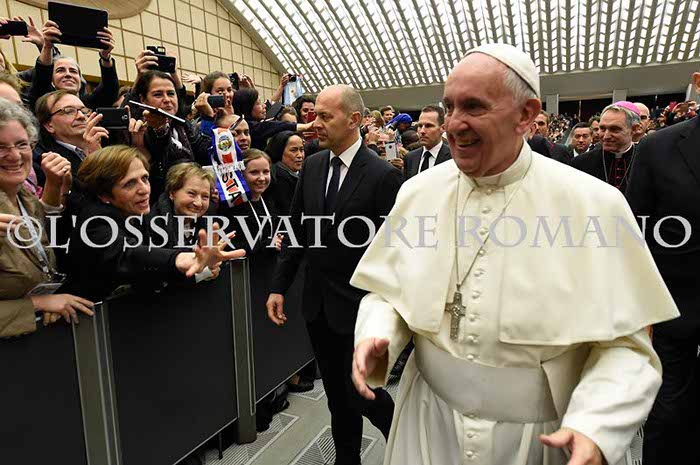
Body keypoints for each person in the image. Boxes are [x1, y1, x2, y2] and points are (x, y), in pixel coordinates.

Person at [350, 43, 678, 465]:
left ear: (526, 114)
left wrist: (596, 425)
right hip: (427, 422)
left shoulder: (594, 204)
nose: (453, 124)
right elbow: (387, 293)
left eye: (473, 106)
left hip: (540, 438)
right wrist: (378, 334)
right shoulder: (418, 192)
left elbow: (628, 348)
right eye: (449, 107)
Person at [266, 84, 402, 465]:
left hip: (362, 309)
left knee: (363, 393)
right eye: (314, 115)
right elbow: (297, 230)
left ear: (354, 120)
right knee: (338, 398)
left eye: (325, 116)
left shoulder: (382, 176)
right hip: (318, 306)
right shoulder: (311, 167)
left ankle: (406, 443)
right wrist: (279, 285)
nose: (315, 123)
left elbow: (396, 252)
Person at [626, 71, 700, 465]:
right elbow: (634, 236)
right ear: (698, 83)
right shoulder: (659, 147)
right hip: (673, 312)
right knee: (668, 416)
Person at [63, 145, 244, 301]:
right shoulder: (95, 221)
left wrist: (199, 268)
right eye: (129, 184)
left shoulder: (135, 215)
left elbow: (151, 274)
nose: (144, 189)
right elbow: (128, 253)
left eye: (144, 178)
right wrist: (181, 258)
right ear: (104, 194)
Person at [0, 97, 94, 337]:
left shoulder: (24, 197)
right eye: (1, 147)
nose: (14, 155)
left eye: (21, 144)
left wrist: (48, 302)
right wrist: (37, 304)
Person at [130, 70, 212, 199]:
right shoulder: (138, 129)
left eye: (171, 93)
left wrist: (209, 118)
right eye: (158, 95)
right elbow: (169, 166)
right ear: (143, 100)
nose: (167, 100)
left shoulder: (183, 124)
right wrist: (160, 130)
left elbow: (206, 153)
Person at [28, 20, 119, 109]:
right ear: (52, 81)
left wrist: (105, 56)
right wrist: (47, 46)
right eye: (60, 70)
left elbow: (109, 89)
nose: (68, 74)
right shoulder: (45, 104)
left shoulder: (88, 104)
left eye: (73, 71)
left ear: (80, 80)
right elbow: (42, 77)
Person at [571, 101, 641, 192]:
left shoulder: (646, 161)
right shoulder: (580, 163)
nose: (606, 136)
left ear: (634, 129)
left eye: (614, 129)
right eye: (602, 129)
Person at [232, 88, 312, 150]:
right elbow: (276, 126)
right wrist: (307, 126)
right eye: (258, 103)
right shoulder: (253, 128)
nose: (264, 106)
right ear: (247, 107)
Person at [403, 105, 451, 180]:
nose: (422, 131)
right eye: (420, 126)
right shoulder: (410, 158)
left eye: (429, 126)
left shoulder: (453, 157)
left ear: (443, 128)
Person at [265, 130, 304, 215]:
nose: (300, 155)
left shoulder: (303, 174)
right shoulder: (275, 179)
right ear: (279, 151)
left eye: (301, 150)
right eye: (293, 150)